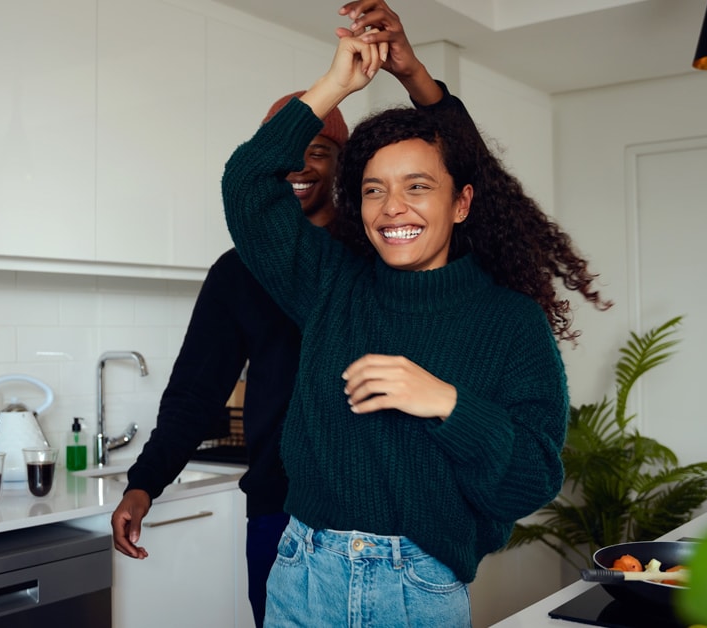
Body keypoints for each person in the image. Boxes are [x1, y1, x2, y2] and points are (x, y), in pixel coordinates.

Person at [221, 1, 611, 624]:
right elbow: (246, 186)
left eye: (418, 187)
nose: (392, 207)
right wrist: (334, 86)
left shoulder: (509, 322)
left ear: (461, 204)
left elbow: (529, 482)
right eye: (374, 189)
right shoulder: (331, 283)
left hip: (411, 588)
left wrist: (446, 403)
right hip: (298, 570)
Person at [108, 90, 349, 626]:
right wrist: (144, 483)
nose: (298, 166)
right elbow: (196, 392)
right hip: (276, 509)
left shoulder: (370, 256)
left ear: (342, 163)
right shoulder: (237, 272)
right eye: (283, 151)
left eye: (317, 150)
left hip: (371, 511)